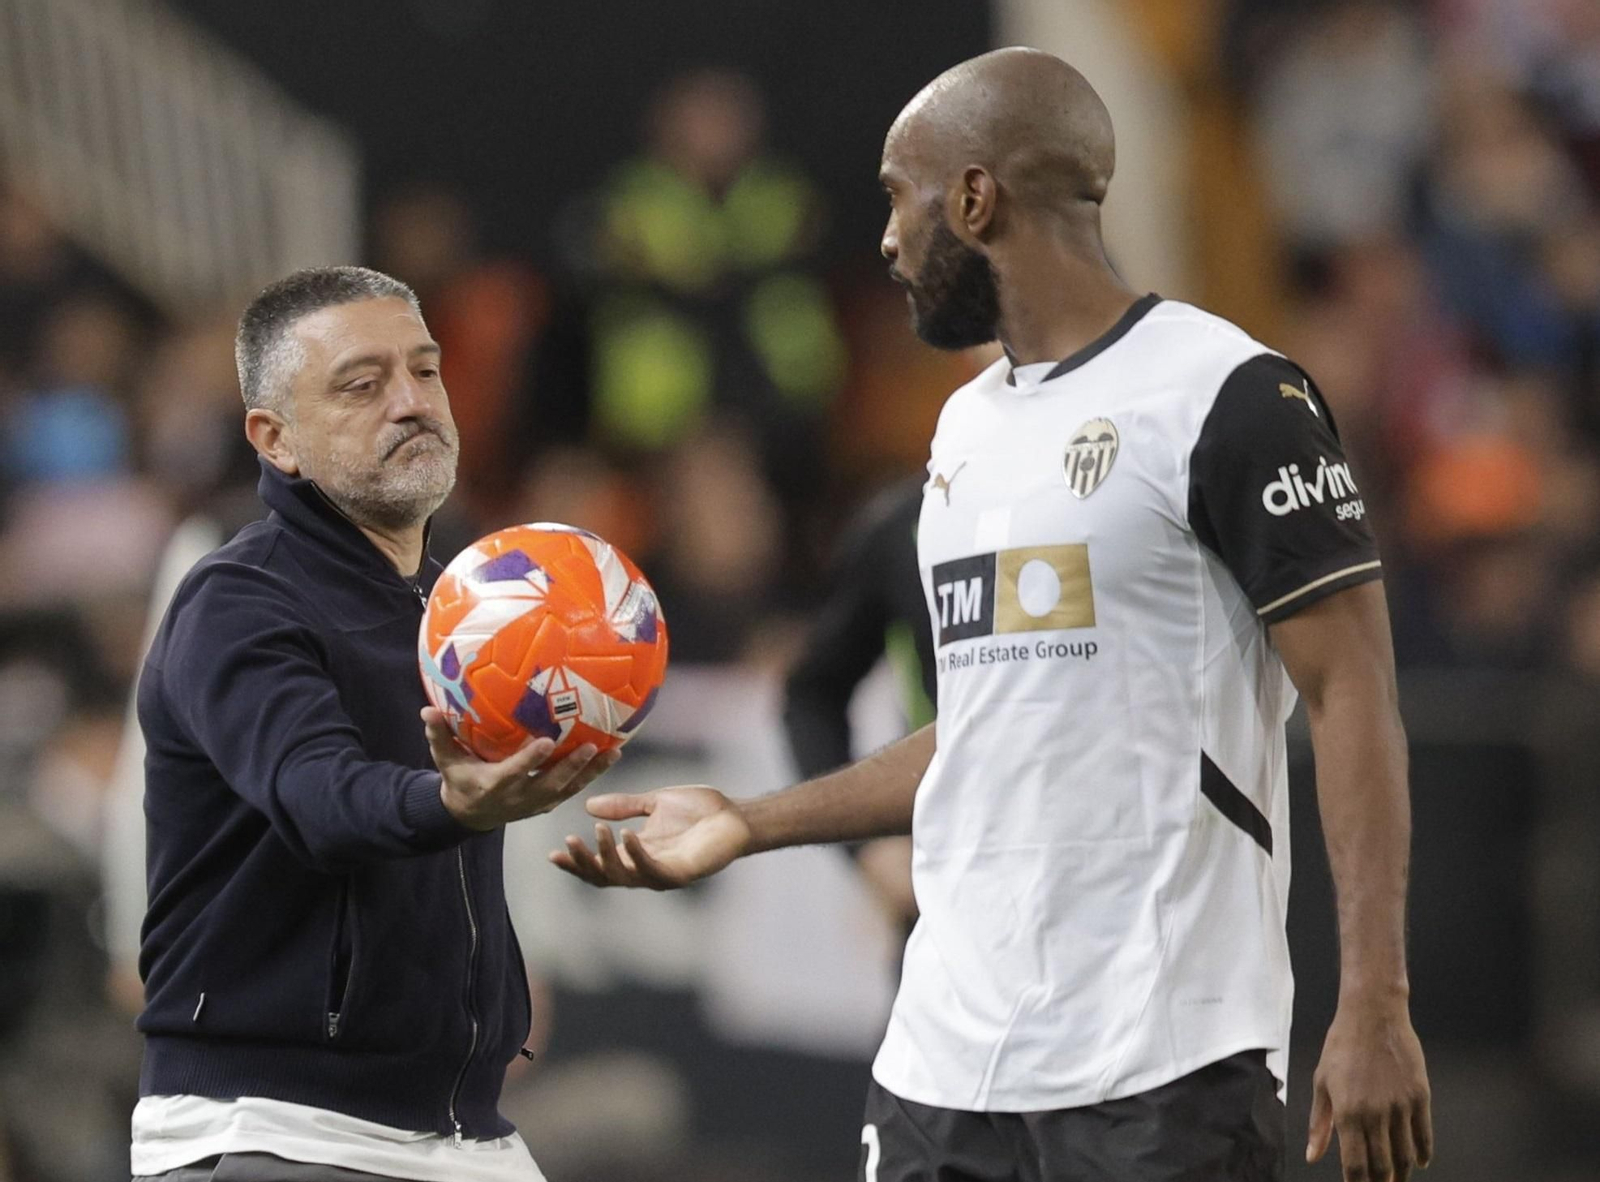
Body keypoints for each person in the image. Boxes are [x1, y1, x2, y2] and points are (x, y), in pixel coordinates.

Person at [553, 49, 1432, 1182]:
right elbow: (986, 729)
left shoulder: (1229, 396)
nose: (883, 239)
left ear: (973, 199)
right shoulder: (962, 431)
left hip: (1162, 1058)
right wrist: (749, 822)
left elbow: (1351, 693)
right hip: (944, 1062)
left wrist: (1376, 1002)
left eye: (896, 195)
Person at [131, 266, 616, 1182]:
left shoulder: (459, 601)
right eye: (362, 384)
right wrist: (451, 801)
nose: (411, 403)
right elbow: (322, 795)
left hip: (465, 1133)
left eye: (425, 371)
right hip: (273, 1128)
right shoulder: (235, 599)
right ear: (275, 439)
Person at [781, 477, 932, 932]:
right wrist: (868, 847)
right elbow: (812, 696)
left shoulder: (1118, 506)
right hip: (942, 898)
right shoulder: (905, 527)